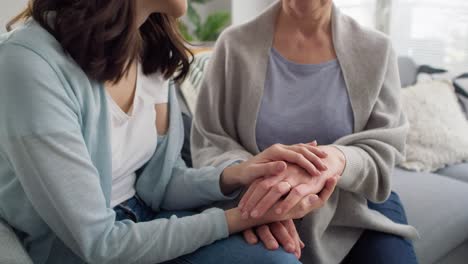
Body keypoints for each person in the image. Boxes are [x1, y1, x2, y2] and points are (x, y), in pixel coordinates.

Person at [0, 0, 339, 263]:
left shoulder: (147, 49)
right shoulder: (29, 65)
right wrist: (241, 217)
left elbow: (160, 184)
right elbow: (99, 244)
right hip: (83, 251)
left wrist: (238, 175)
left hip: (148, 219)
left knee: (277, 259)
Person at [191, 0, 419, 263]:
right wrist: (261, 198)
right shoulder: (233, 45)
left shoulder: (377, 49)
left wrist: (332, 161)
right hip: (256, 201)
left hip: (356, 202)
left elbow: (385, 146)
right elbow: (210, 141)